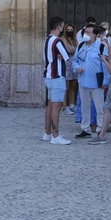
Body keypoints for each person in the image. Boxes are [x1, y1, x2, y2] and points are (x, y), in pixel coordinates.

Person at [75, 24, 110, 141]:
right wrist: (77, 67)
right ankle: (85, 129)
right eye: (85, 32)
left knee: (99, 106)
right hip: (83, 80)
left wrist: (106, 80)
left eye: (89, 32)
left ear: (95, 35)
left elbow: (105, 65)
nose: (86, 34)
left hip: (96, 82)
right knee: (84, 106)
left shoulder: (101, 47)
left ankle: (100, 128)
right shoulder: (80, 46)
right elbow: (75, 60)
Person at [42, 16, 72, 145]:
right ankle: (56, 135)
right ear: (59, 26)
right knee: (57, 106)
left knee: (50, 105)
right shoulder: (57, 41)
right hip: (57, 76)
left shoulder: (47, 40)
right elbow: (67, 57)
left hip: (48, 76)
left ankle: (47, 133)